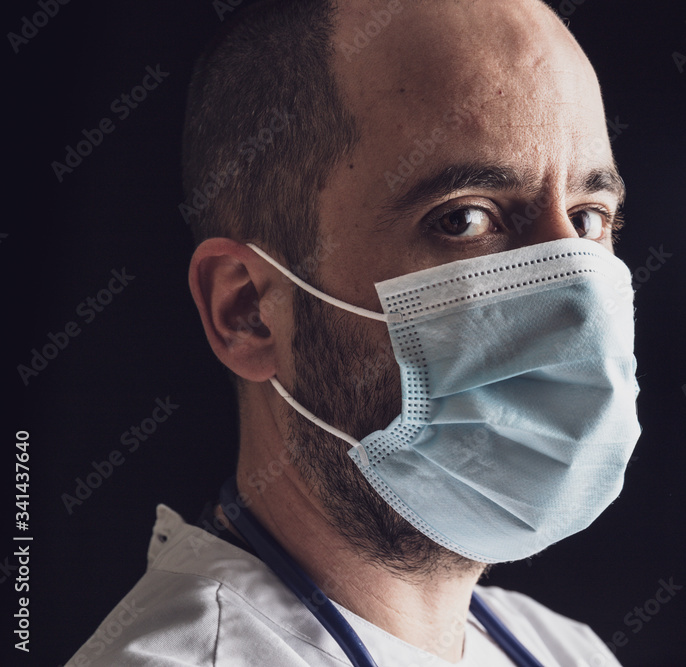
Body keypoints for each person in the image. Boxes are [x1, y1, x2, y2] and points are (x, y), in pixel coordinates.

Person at [68, 0, 641, 664]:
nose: (569, 300)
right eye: (465, 219)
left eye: (589, 216)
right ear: (249, 309)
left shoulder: (567, 650)